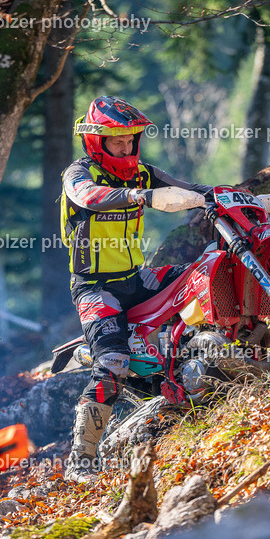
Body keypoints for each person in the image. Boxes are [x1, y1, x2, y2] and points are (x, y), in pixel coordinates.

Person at [61, 95, 211, 483]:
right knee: (112, 364)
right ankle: (81, 457)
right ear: (97, 142)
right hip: (96, 288)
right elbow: (86, 197)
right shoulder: (79, 173)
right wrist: (137, 197)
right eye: (117, 142)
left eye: (131, 140)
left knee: (205, 271)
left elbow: (192, 189)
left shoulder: (142, 172)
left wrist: (231, 197)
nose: (126, 148)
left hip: (135, 278)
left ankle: (202, 357)